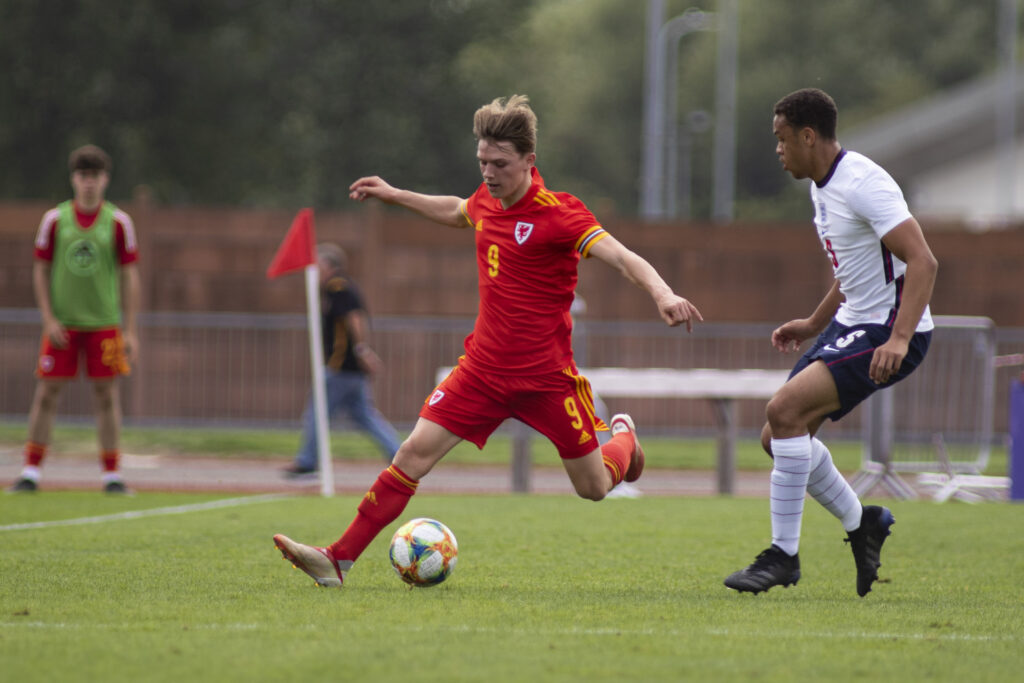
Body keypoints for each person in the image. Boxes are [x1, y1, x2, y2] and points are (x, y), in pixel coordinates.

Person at [273, 94, 703, 586]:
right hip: (481, 372)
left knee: (594, 487)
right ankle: (337, 558)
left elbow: (624, 258)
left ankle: (623, 437)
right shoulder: (485, 201)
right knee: (411, 455)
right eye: (482, 162)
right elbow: (457, 210)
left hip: (546, 380)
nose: (489, 173)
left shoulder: (561, 214)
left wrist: (664, 294)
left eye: (500, 163)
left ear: (528, 161)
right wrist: (395, 194)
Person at [724, 88, 938, 597]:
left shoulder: (863, 183)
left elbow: (924, 261)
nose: (777, 150)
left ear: (808, 136)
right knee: (777, 436)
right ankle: (862, 521)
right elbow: (854, 267)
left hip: (889, 329)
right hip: (853, 324)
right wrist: (813, 322)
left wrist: (901, 337)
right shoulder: (823, 185)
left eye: (781, 140)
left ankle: (784, 556)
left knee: (785, 410)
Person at [7, 144, 140, 494]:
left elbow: (129, 276)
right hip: (63, 324)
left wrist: (130, 329)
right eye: (83, 176)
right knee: (47, 392)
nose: (89, 183)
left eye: (95, 176)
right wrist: (48, 318)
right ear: (73, 179)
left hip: (104, 324)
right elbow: (40, 268)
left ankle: (112, 474)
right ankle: (31, 471)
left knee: (107, 396)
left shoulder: (119, 222)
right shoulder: (55, 220)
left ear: (105, 179)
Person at [283, 242, 402, 476]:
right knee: (364, 416)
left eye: (317, 265)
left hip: (341, 365)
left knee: (317, 412)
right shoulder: (335, 288)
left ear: (328, 266)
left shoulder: (338, 287)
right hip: (349, 367)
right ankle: (399, 455)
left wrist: (361, 350)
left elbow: (354, 318)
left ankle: (307, 461)